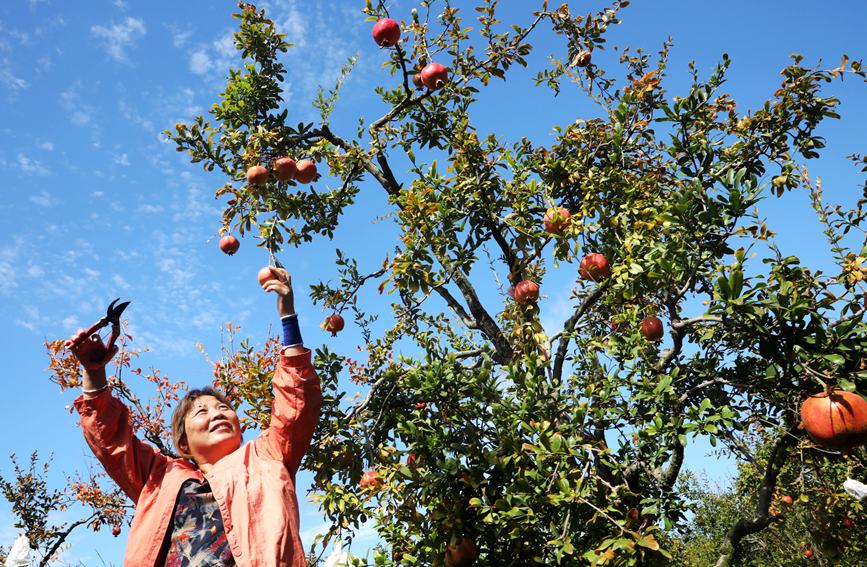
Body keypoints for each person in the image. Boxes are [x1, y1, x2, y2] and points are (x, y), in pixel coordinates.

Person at [66, 267, 321, 567]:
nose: (217, 414)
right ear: (183, 444)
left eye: (224, 408)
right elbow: (110, 440)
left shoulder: (266, 456)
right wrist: (93, 373)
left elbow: (296, 404)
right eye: (202, 411)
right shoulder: (159, 478)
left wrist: (287, 316)